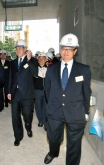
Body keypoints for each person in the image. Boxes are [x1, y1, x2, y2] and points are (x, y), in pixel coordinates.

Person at [44, 33, 91, 165]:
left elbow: (86, 92)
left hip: (76, 112)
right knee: (53, 138)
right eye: (64, 48)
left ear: (75, 51)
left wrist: (86, 112)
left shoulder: (84, 70)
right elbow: (47, 89)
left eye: (70, 49)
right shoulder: (51, 68)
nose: (66, 52)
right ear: (60, 50)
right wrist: (52, 104)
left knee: (74, 144)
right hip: (55, 110)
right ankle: (53, 152)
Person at [7, 39, 37, 146]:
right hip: (15, 93)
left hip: (27, 94)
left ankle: (28, 126)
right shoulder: (13, 63)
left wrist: (29, 60)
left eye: (21, 48)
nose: (18, 50)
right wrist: (9, 91)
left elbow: (35, 72)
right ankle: (18, 136)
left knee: (27, 114)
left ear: (25, 50)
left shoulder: (31, 60)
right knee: (15, 116)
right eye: (17, 48)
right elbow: (10, 77)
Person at [33, 52, 47, 129]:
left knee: (45, 107)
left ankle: (45, 122)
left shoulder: (49, 69)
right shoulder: (35, 69)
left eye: (43, 58)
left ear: (46, 60)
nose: (41, 60)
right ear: (38, 60)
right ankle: (40, 120)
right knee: (38, 106)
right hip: (37, 91)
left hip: (46, 92)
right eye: (40, 58)